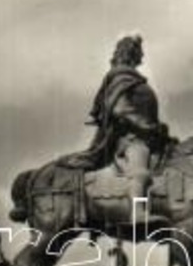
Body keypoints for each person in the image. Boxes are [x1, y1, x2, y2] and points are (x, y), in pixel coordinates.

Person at [60, 34, 173, 206]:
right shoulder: (120, 77)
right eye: (139, 53)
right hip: (131, 140)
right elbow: (119, 109)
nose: (142, 57)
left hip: (151, 138)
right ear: (130, 54)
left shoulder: (133, 79)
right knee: (140, 172)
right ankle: (138, 211)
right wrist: (145, 125)